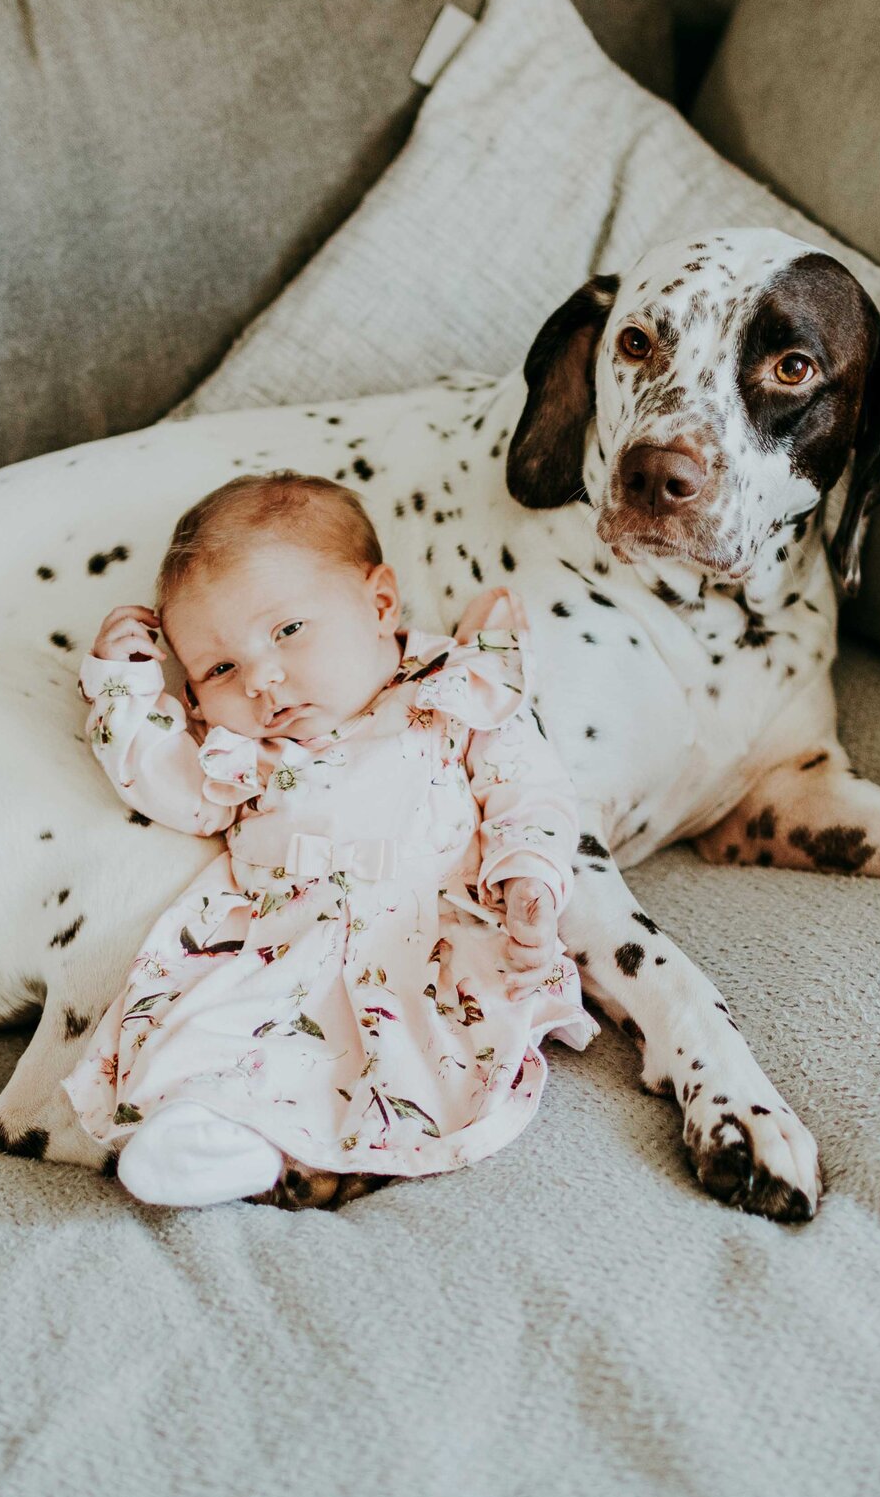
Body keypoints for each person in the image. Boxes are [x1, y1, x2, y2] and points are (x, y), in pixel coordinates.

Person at [63, 470, 594, 1207]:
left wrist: (529, 869)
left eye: (286, 630)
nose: (262, 681)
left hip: (420, 932)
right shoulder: (243, 752)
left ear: (380, 603)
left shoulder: (448, 691)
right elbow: (168, 787)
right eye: (219, 668)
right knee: (209, 1034)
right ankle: (221, 1141)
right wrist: (123, 690)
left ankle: (321, 1149)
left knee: (419, 1051)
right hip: (279, 940)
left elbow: (527, 786)